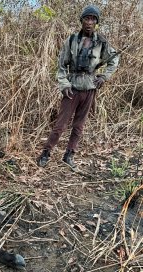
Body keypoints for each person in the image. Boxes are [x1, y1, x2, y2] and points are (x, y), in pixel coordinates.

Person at [37, 5, 119, 169]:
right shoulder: (72, 40)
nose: (89, 22)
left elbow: (114, 59)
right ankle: (46, 153)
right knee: (60, 124)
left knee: (79, 125)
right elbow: (61, 66)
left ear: (96, 22)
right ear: (81, 21)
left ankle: (69, 155)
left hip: (89, 88)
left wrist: (104, 76)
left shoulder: (101, 42)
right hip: (72, 88)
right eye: (86, 18)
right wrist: (64, 84)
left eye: (93, 19)